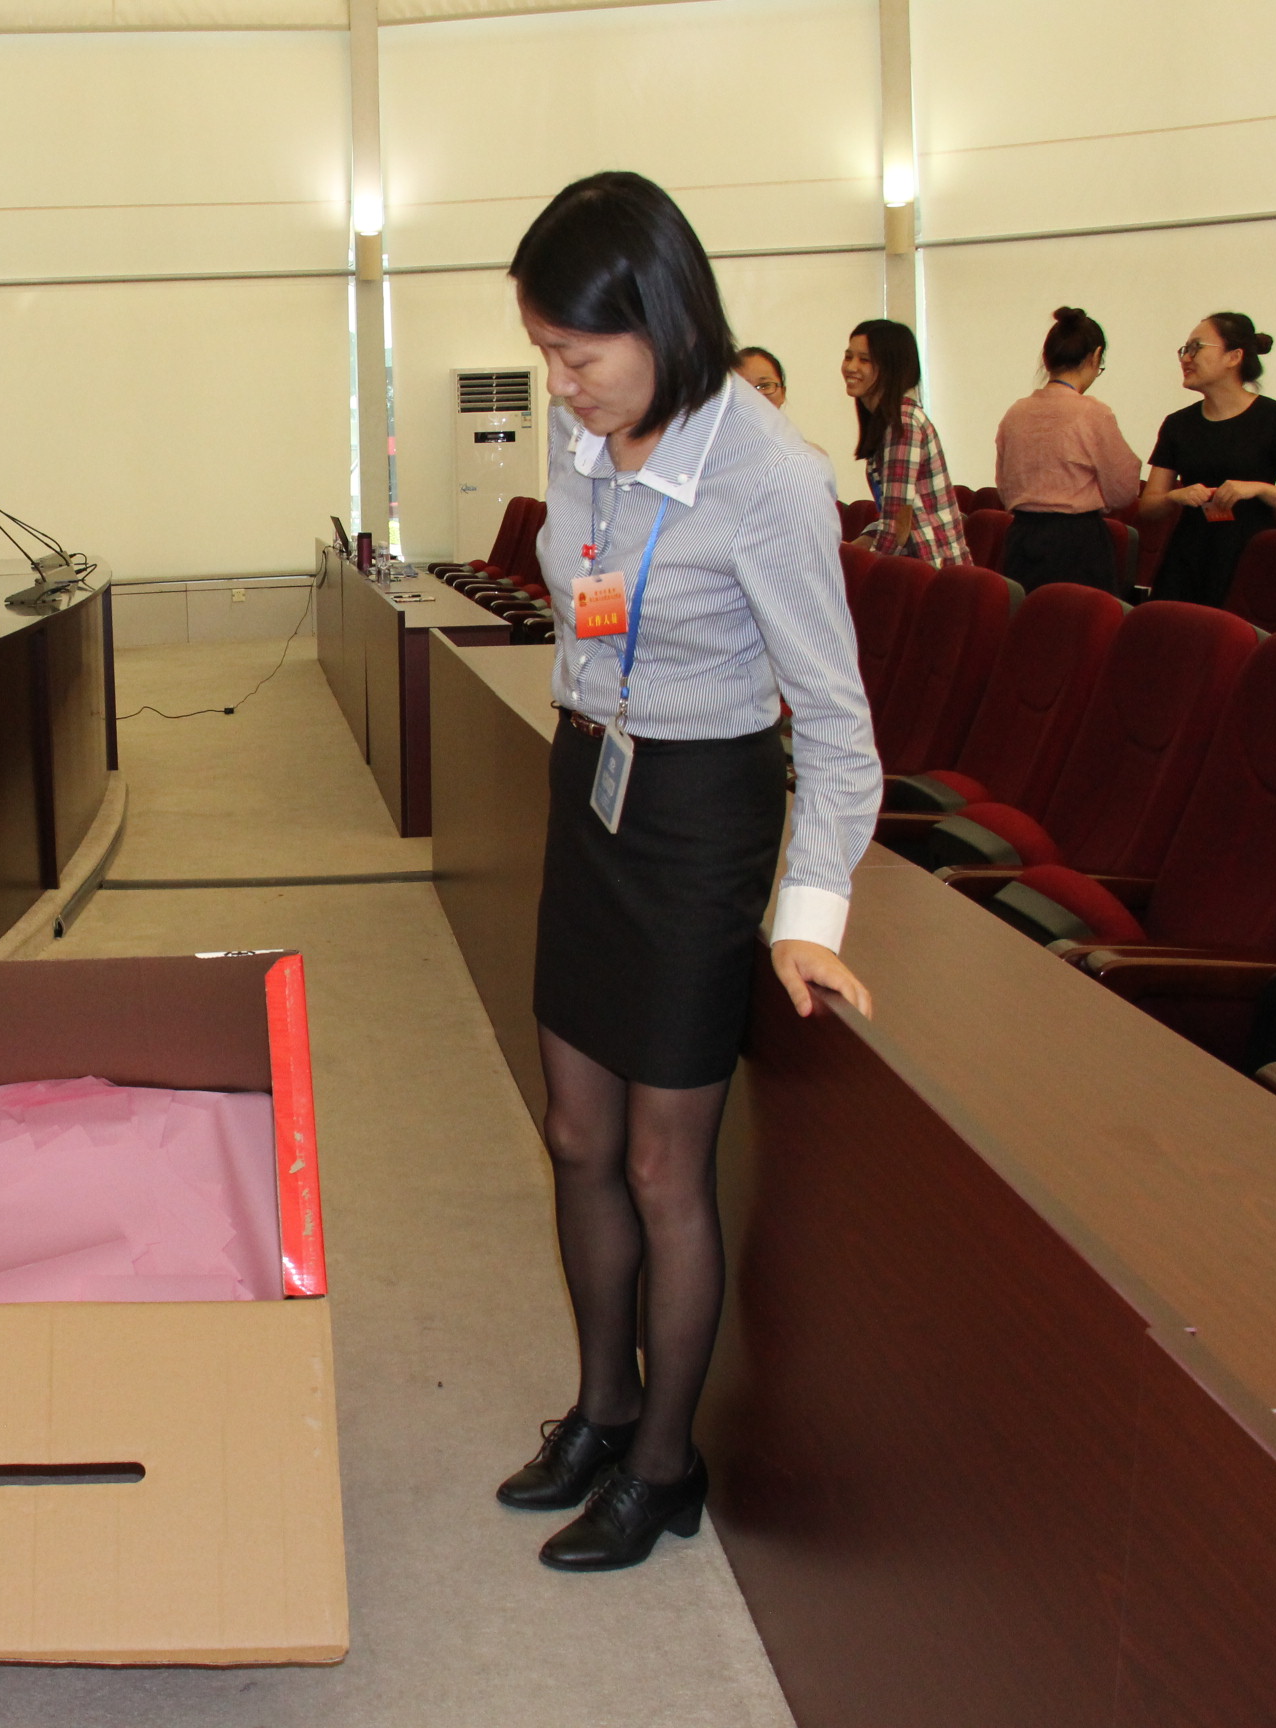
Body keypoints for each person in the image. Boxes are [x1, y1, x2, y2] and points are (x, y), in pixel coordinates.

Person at [493, 172, 880, 1572]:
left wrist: (810, 912)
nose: (559, 384)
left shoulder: (767, 477)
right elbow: (589, 586)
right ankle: (604, 1409)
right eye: (545, 353)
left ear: (658, 320)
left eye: (577, 355)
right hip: (589, 786)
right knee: (576, 1134)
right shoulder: (588, 425)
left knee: (665, 1164)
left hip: (702, 815)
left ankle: (666, 1464)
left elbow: (836, 727)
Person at [1138, 311, 1276, 607]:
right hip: (1189, 553)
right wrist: (1175, 496)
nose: (1186, 358)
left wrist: (1257, 488)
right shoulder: (1178, 424)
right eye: (1184, 350)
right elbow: (1149, 506)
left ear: (1234, 357)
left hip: (1248, 554)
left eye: (1197, 348)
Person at [993, 306, 1142, 592]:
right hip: (1078, 542)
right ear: (1096, 356)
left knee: (1030, 616)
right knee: (1076, 618)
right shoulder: (1092, 412)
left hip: (1021, 538)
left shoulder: (1015, 412)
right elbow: (1124, 490)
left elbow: (1005, 487)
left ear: (1046, 358)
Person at [842, 318, 966, 567]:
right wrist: (862, 543)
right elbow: (893, 514)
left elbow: (897, 524)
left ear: (892, 367)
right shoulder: (890, 420)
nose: (851, 367)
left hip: (930, 568)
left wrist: (863, 567)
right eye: (848, 357)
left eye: (864, 360)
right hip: (914, 564)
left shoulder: (903, 425)